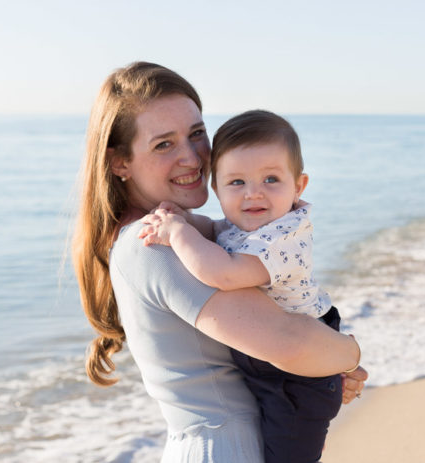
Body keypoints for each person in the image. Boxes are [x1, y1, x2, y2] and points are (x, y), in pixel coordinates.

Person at [71, 62, 367, 463]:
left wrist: (326, 368)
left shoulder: (195, 232)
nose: (192, 158)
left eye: (196, 135)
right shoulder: (155, 243)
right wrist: (347, 355)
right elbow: (290, 342)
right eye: (163, 145)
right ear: (119, 162)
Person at [138, 110, 350, 463]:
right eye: (236, 183)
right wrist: (180, 216)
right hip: (271, 368)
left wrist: (176, 231)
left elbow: (223, 274)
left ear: (299, 186)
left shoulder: (282, 238)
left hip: (298, 380)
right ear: (216, 188)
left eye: (271, 179)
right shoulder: (245, 226)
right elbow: (213, 229)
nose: (253, 194)